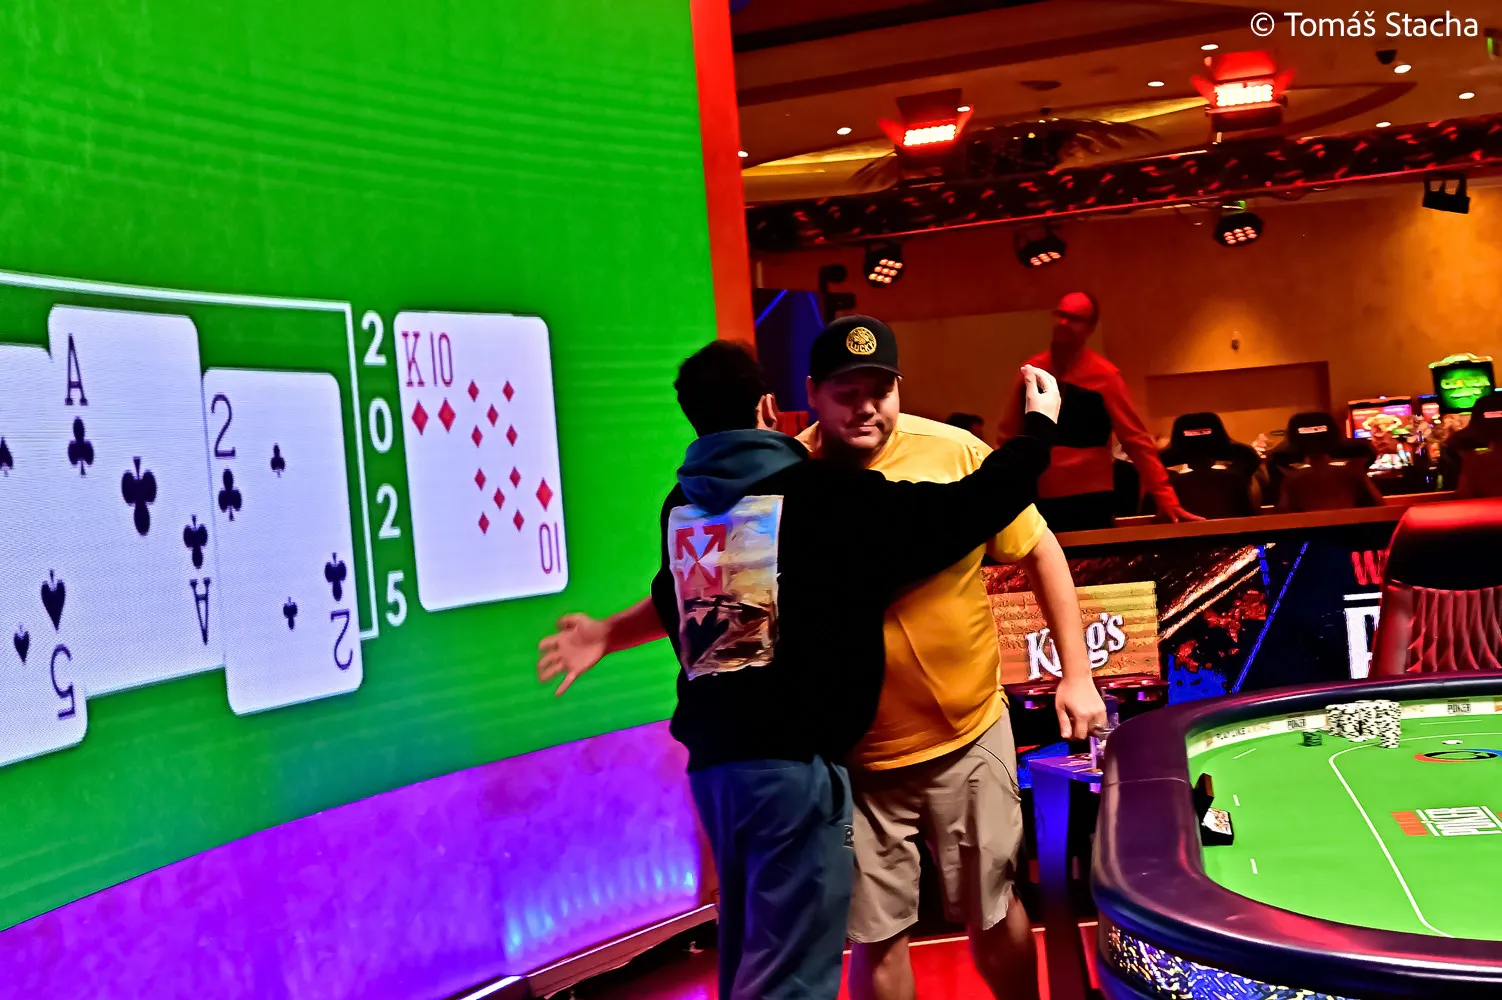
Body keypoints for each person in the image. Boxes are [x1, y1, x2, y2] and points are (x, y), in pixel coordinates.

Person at [540, 318, 1105, 1000]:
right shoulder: (808, 487)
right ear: (793, 399)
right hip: (840, 765)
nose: (865, 406)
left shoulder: (707, 498)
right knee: (846, 947)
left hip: (943, 738)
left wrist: (1078, 674)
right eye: (846, 391)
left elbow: (694, 601)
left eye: (880, 389)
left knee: (971, 914)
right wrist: (1039, 430)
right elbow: (967, 509)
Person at [999, 292, 1200, 530]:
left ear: (1090, 328)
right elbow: (1007, 437)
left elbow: (1136, 440)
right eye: (1061, 315)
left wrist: (1165, 497)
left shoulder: (1105, 377)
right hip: (1036, 496)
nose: (1064, 323)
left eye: (1075, 318)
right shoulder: (1031, 372)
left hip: (1089, 499)